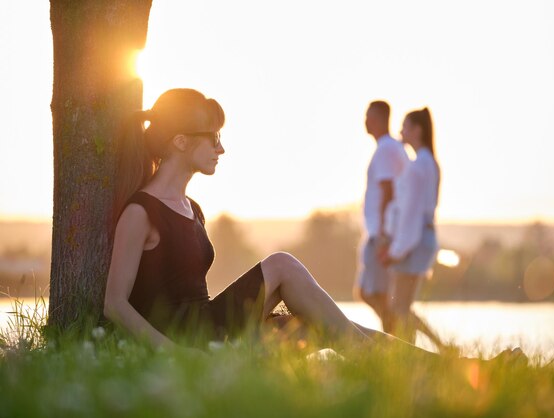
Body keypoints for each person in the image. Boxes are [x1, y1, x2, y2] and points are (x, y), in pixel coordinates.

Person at [103, 88, 524, 364]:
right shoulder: (142, 211)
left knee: (332, 330)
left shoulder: (191, 207)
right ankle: (455, 369)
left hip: (211, 328)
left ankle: (448, 371)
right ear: (179, 141)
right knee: (285, 266)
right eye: (212, 138)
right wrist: (176, 354)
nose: (221, 148)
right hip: (188, 340)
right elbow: (115, 304)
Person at [379, 108, 443, 348]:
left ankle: (423, 351)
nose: (400, 131)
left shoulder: (418, 168)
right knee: (403, 306)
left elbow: (410, 215)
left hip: (414, 239)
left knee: (399, 307)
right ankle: (436, 347)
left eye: (405, 126)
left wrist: (396, 250)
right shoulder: (429, 164)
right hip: (423, 237)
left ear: (417, 130)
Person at [355, 101, 408, 332]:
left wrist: (385, 233)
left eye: (368, 116)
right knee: (371, 292)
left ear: (378, 118)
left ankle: (395, 337)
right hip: (379, 231)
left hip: (382, 233)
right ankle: (395, 336)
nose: (365, 121)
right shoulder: (390, 148)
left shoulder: (387, 149)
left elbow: (388, 191)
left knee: (374, 293)